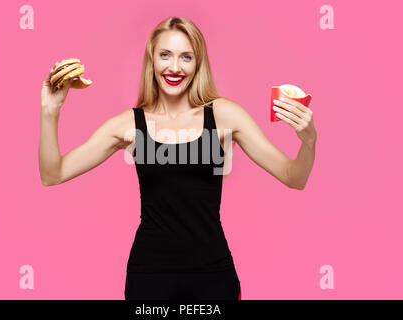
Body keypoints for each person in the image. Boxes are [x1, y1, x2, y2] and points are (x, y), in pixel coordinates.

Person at [39, 16, 317, 300]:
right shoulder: (130, 125)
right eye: (165, 55)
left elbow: (293, 177)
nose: (174, 67)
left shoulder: (224, 115)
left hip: (213, 277)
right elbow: (53, 174)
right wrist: (50, 111)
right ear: (152, 60)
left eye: (186, 57)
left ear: (198, 64)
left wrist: (308, 141)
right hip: (149, 277)